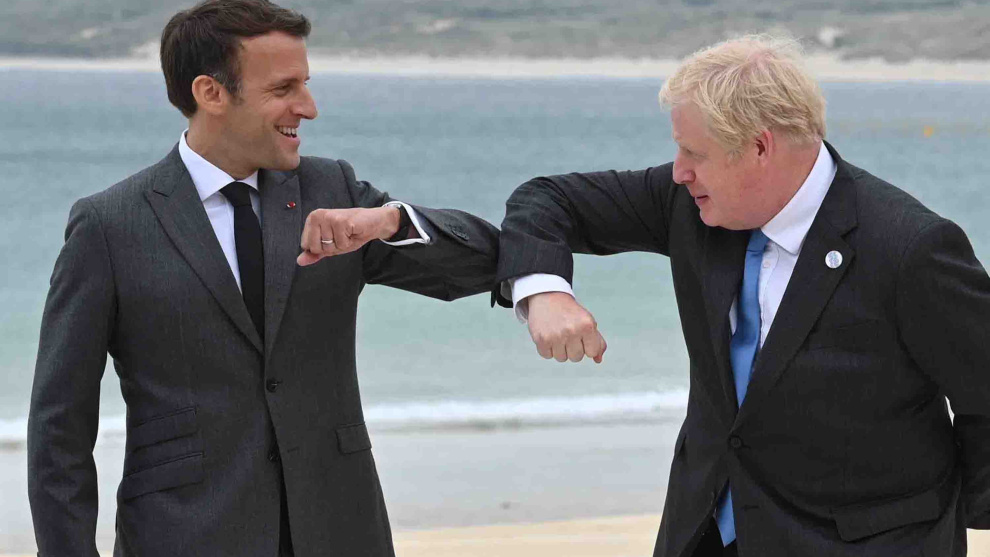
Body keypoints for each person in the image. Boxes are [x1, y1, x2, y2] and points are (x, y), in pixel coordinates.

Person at [27, 1, 498, 555]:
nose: (309, 108)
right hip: (183, 536)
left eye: (306, 84)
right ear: (211, 93)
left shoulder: (334, 191)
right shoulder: (109, 225)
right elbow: (59, 429)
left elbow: (486, 263)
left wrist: (390, 220)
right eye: (283, 89)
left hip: (340, 532)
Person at [494, 35, 990, 557]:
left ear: (759, 147)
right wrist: (545, 290)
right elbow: (546, 199)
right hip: (703, 534)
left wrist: (953, 518)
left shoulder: (911, 248)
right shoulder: (688, 204)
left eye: (694, 153)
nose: (679, 171)